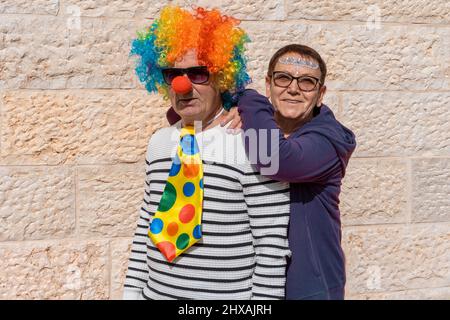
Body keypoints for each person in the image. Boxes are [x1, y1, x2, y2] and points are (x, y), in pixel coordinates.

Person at [123, 6, 291, 300]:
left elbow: (272, 249)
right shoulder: (159, 143)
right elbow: (145, 227)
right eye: (173, 73)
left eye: (198, 73)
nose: (182, 85)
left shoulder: (257, 142)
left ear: (223, 77)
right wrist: (131, 294)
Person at [237, 44, 357, 300]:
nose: (293, 88)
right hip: (258, 284)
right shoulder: (257, 126)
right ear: (268, 84)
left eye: (307, 82)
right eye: (283, 78)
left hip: (310, 288)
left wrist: (246, 99)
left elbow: (275, 159)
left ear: (320, 94)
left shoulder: (328, 140)